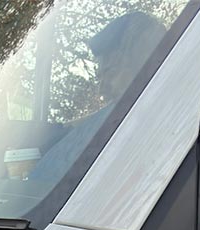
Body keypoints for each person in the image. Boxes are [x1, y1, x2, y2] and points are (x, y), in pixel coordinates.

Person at [26, 10, 166, 184]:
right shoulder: (129, 116)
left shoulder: (153, 129)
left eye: (110, 73)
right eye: (100, 78)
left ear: (144, 64)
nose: (101, 90)